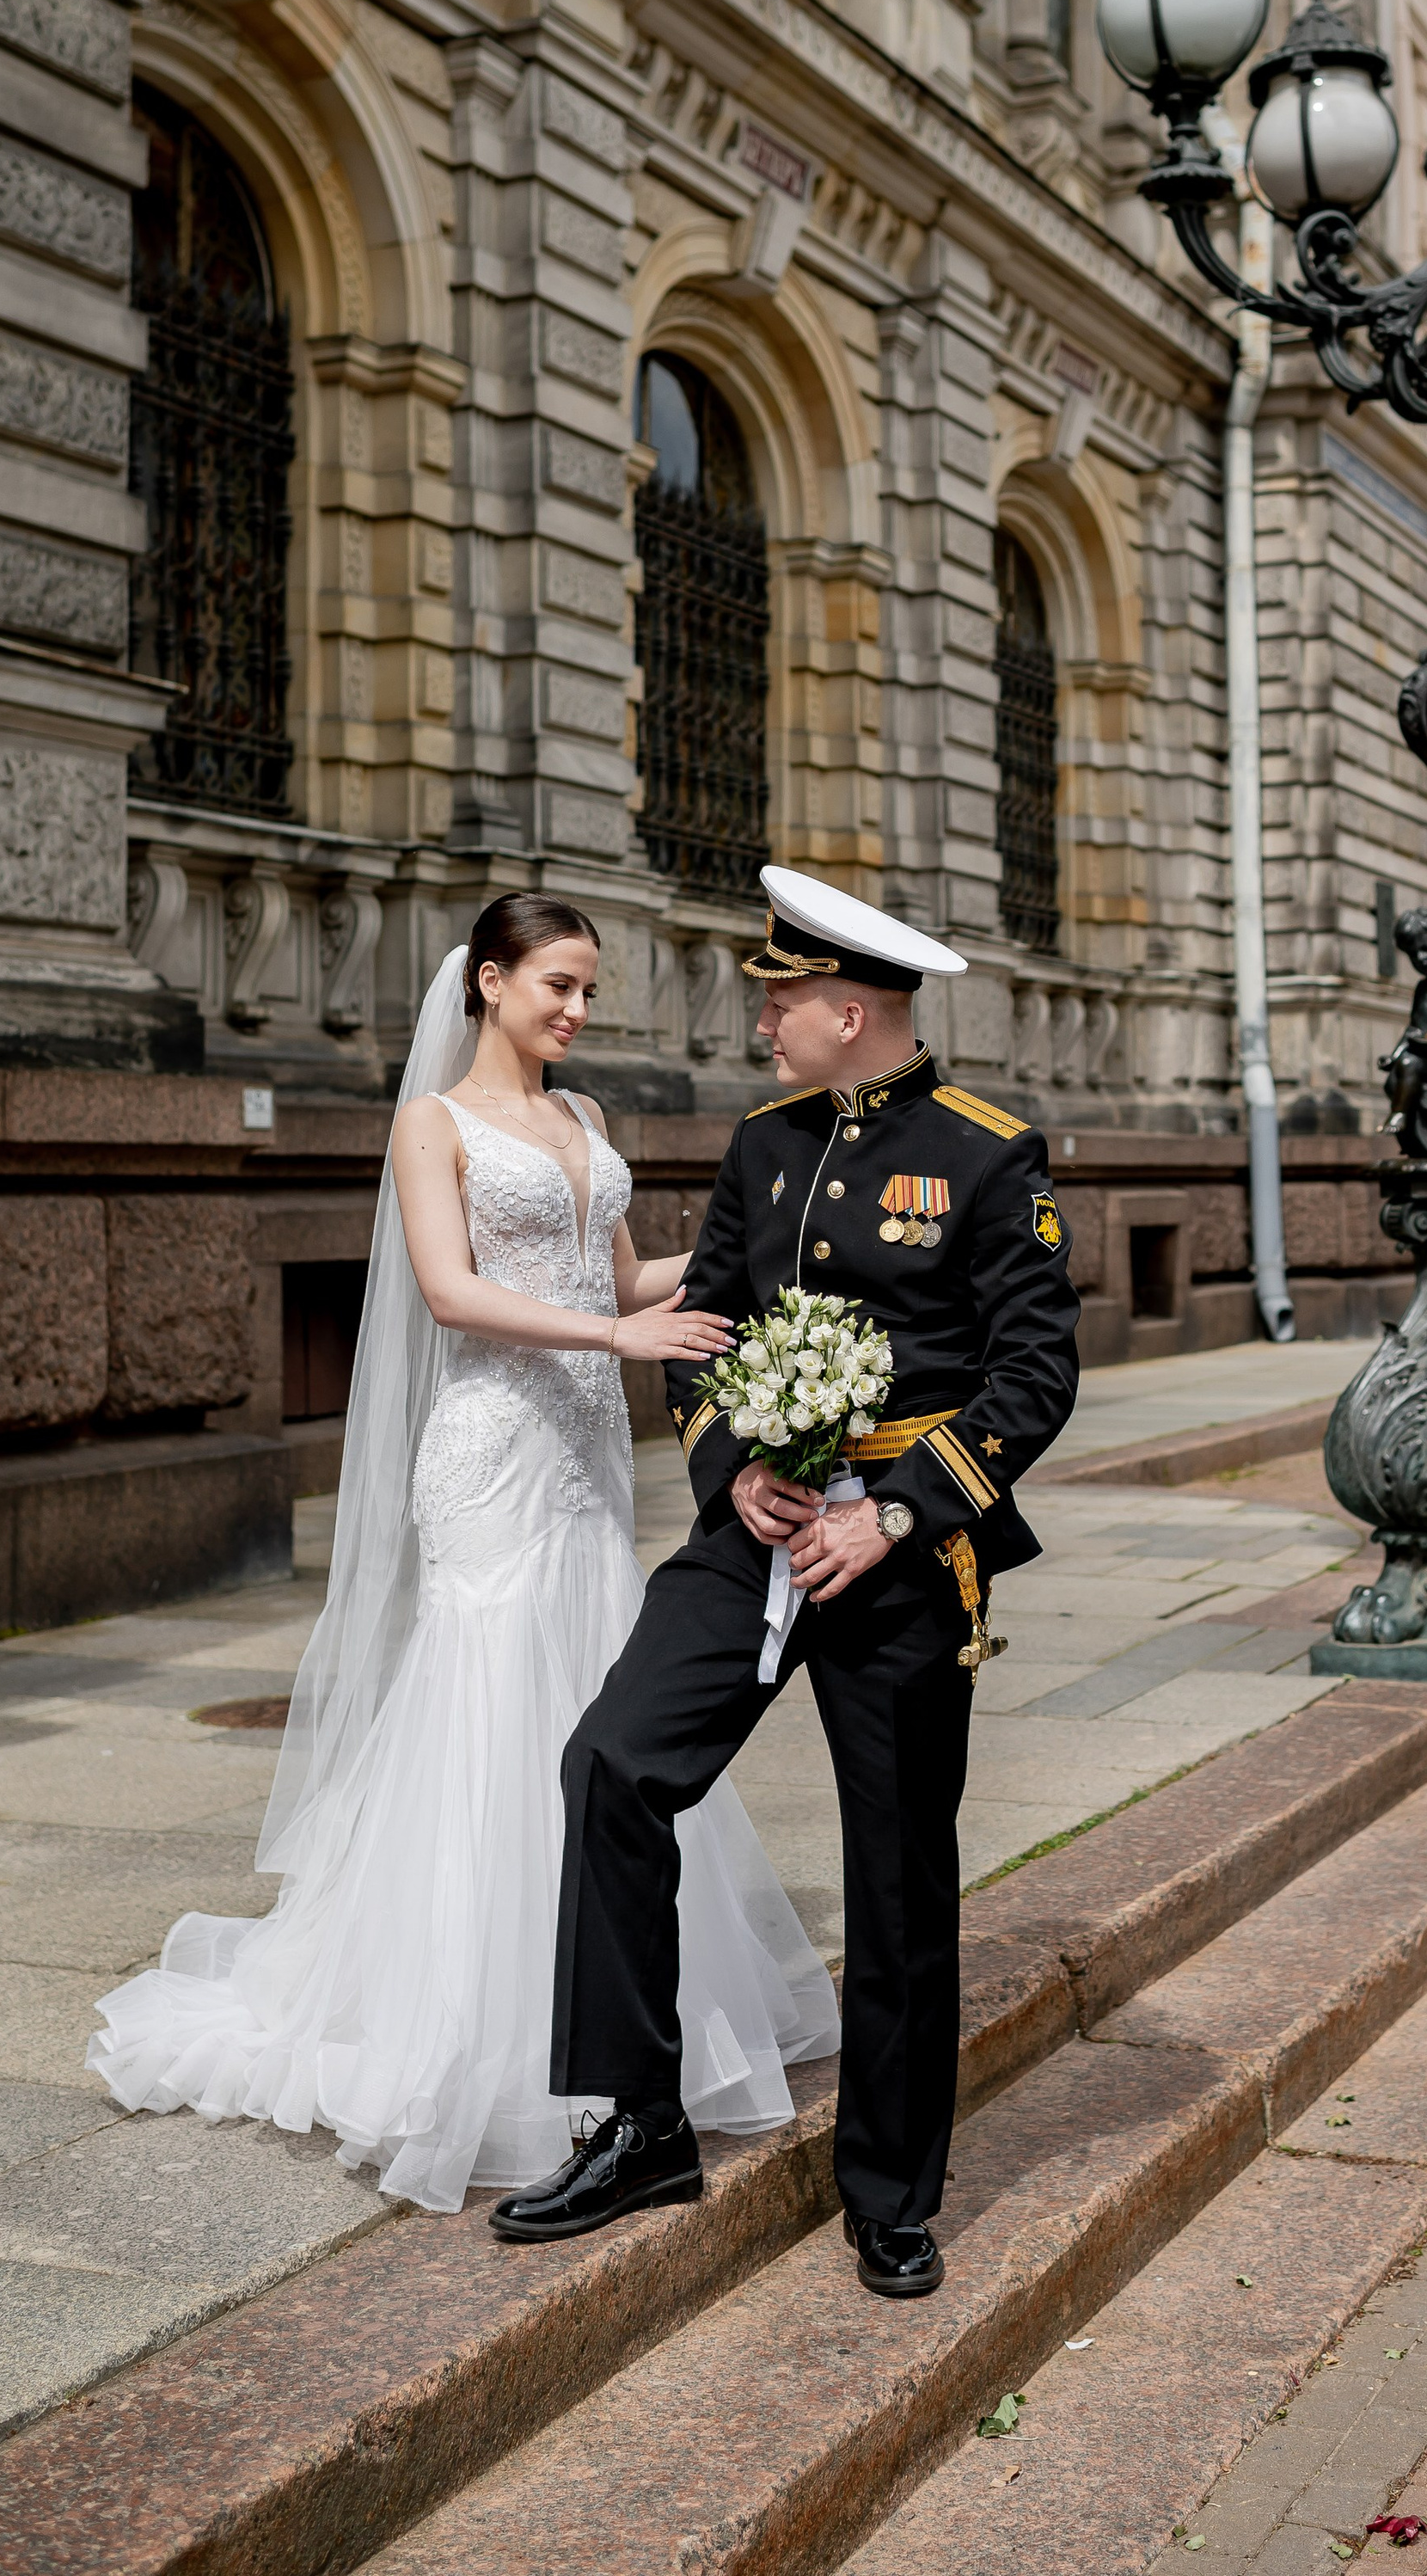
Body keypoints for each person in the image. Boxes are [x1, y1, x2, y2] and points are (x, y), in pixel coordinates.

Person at [87, 893, 837, 2214]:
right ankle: (475, 2031)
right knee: (491, 1705)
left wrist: (742, 1261)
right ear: (488, 982)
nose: (577, 1011)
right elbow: (449, 1290)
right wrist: (616, 1342)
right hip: (491, 1450)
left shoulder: (585, 1121)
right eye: (557, 984)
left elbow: (614, 1280)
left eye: (591, 991)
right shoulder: (430, 1124)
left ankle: (618, 2005)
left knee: (598, 1705)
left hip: (588, 1457)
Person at [489, 869, 1082, 2299]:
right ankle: (640, 2122)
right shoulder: (762, 1148)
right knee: (614, 1765)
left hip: (898, 1557)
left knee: (896, 1875)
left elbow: (1034, 1377)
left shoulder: (989, 1153)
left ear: (852, 1008)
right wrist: (733, 1469)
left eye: (781, 996)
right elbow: (705, 1331)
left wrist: (895, 1512)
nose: (760, 1016)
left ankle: (889, 2190)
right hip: (753, 1534)